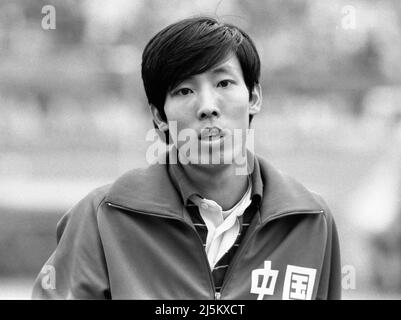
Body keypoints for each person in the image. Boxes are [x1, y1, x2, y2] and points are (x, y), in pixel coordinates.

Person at [32, 16, 341, 300]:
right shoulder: (102, 218)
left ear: (254, 97)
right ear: (159, 116)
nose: (207, 106)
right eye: (183, 90)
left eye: (224, 83)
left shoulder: (310, 220)